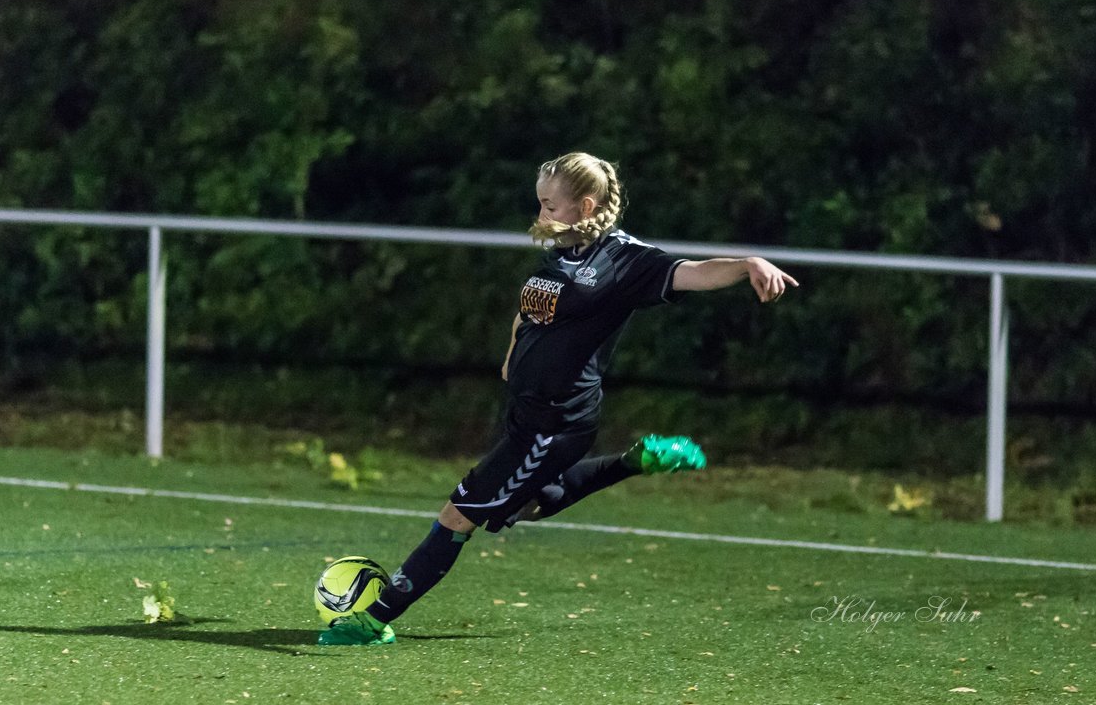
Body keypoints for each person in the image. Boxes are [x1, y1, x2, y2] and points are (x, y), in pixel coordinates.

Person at [320, 151, 797, 645]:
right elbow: (529, 312)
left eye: (550, 204)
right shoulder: (560, 252)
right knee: (522, 506)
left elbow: (692, 272)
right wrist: (512, 355)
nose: (541, 213)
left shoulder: (623, 259)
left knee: (459, 514)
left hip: (558, 420)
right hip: (526, 412)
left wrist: (748, 264)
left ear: (585, 206)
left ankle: (374, 619)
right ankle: (633, 462)